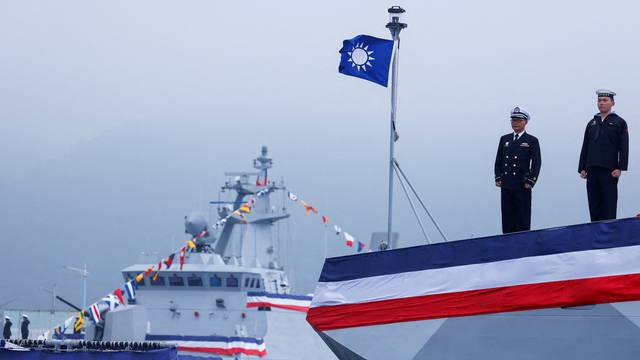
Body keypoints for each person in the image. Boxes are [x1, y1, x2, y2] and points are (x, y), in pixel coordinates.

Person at [578, 89, 629, 221]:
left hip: (609, 170)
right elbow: (585, 146)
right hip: (591, 170)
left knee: (609, 205)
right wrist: (582, 167)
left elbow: (624, 147)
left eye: (605, 100)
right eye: (599, 100)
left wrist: (620, 167)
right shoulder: (591, 123)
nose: (601, 103)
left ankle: (610, 237)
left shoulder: (619, 122)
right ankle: (595, 236)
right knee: (594, 206)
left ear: (612, 102)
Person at [494, 107, 542, 234]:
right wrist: (498, 177)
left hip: (522, 185)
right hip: (507, 184)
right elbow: (498, 160)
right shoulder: (504, 139)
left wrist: (531, 181)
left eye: (518, 120)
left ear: (525, 122)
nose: (515, 123)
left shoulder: (531, 140)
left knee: (522, 217)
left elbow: (537, 163)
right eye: (513, 120)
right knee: (507, 218)